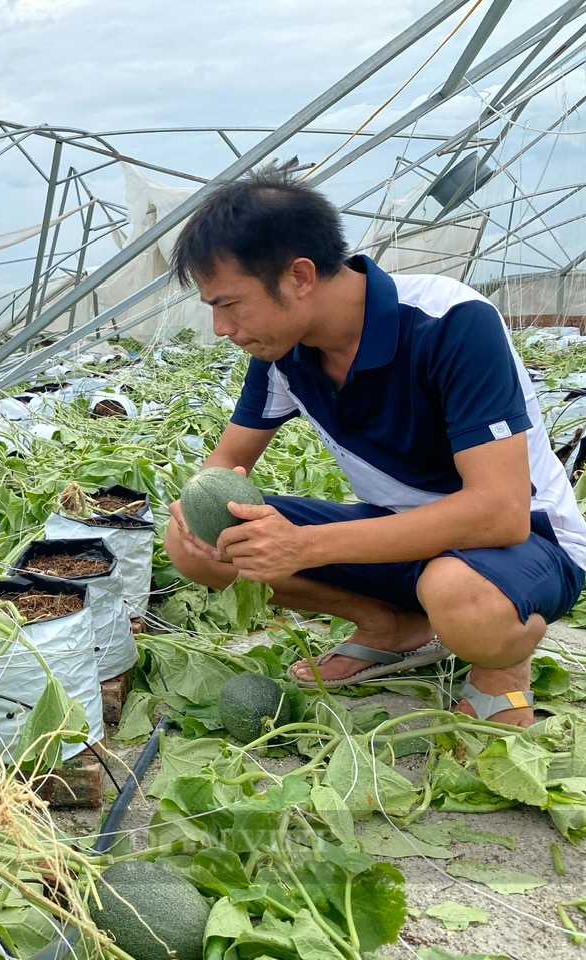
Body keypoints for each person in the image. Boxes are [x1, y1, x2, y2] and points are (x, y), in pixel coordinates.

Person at [163, 170, 586, 727]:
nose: (221, 328)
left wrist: (308, 546)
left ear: (299, 277)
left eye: (230, 304)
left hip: (528, 542)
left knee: (462, 595)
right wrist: (196, 522)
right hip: (400, 538)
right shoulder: (282, 355)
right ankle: (390, 626)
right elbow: (224, 464)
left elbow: (500, 515)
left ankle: (502, 667)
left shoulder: (450, 323)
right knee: (208, 532)